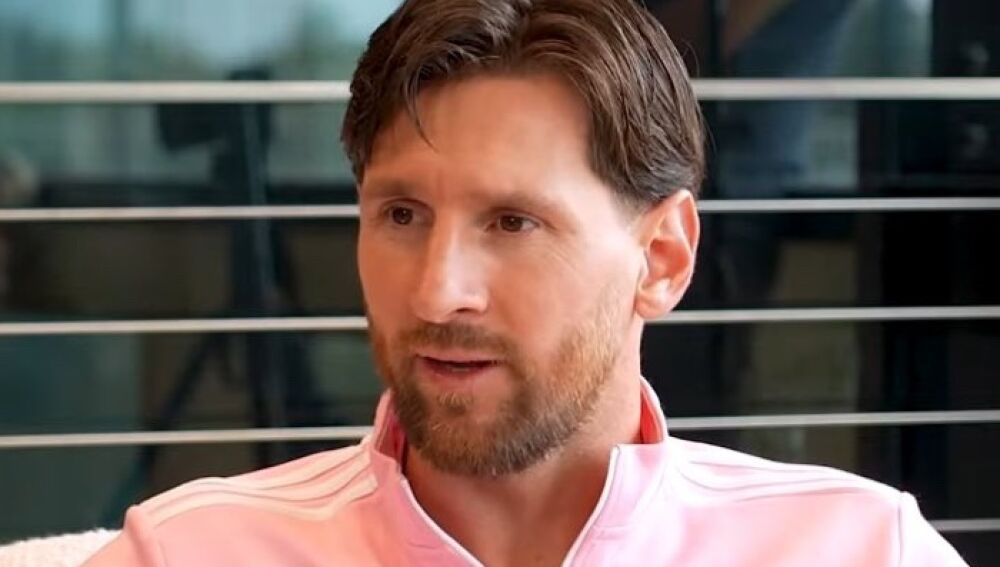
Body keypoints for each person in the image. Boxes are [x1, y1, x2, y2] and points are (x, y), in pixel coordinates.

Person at [84, 0, 968, 565]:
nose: (436, 294)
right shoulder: (185, 554)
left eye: (512, 222)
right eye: (402, 214)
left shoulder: (860, 550)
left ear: (662, 258)